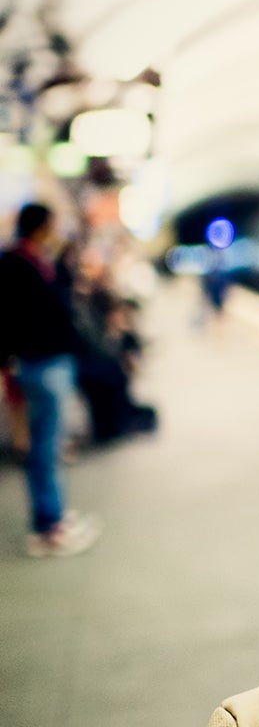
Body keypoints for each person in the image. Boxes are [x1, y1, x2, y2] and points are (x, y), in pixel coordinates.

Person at [0, 203, 102, 557]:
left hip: (50, 363)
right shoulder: (16, 264)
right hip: (40, 365)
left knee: (51, 447)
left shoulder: (38, 261)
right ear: (41, 227)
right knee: (45, 449)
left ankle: (54, 516)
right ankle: (48, 528)